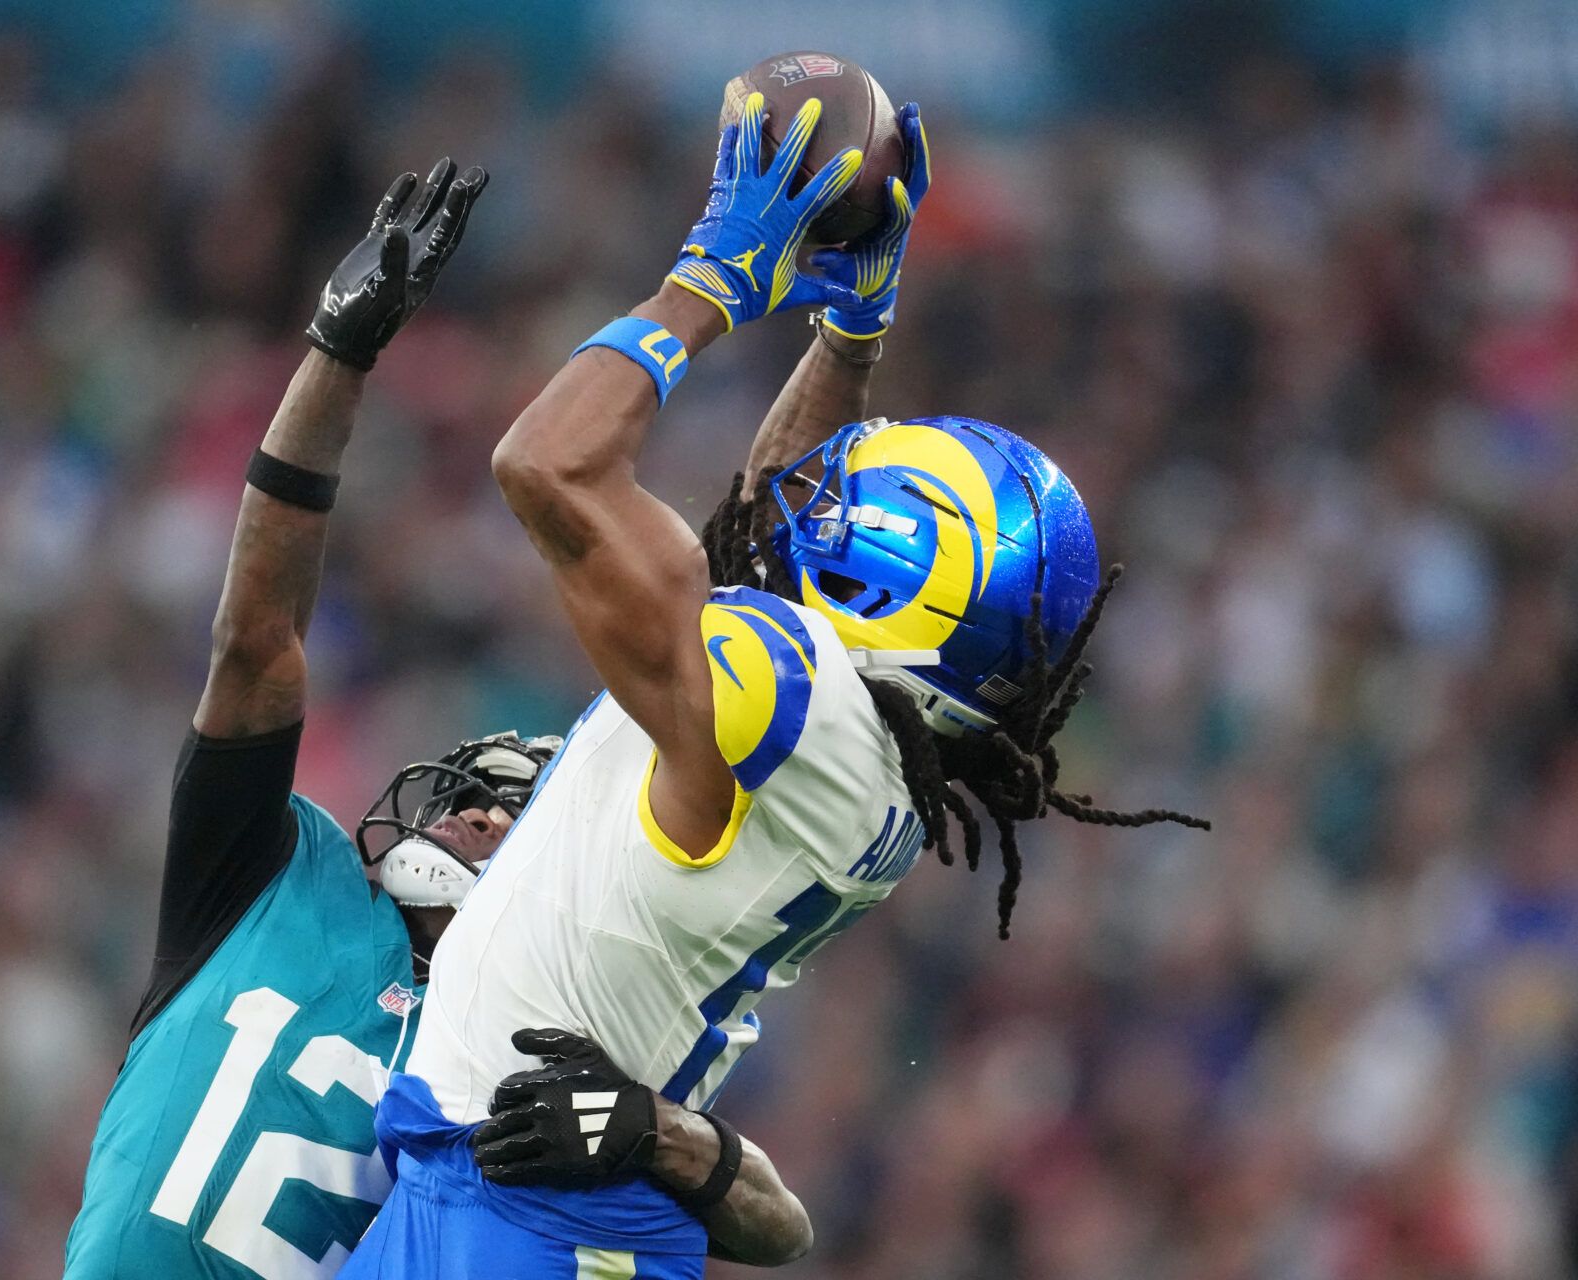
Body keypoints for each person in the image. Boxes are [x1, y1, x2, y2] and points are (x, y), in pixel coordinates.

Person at [343, 92, 1208, 1277]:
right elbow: (759, 531)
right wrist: (850, 332)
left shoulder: (791, 695)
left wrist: (717, 272)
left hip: (525, 1223)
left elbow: (546, 465)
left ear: (899, 573)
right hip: (525, 1201)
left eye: (849, 498)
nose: (813, 496)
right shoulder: (863, 733)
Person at [62, 158, 811, 1280]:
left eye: (509, 809)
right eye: (471, 792)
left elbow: (778, 1226)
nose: (469, 813)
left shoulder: (549, 1018)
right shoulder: (276, 878)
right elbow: (256, 640)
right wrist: (336, 355)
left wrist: (653, 1130)